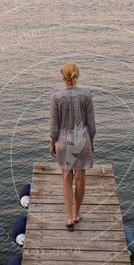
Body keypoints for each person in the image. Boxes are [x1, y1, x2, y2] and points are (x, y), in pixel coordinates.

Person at [50, 62, 96, 230]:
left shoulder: (56, 96)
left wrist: (52, 142)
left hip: (63, 140)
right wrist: (91, 141)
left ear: (63, 76)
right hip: (81, 139)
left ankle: (69, 217)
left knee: (66, 179)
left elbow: (54, 126)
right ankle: (76, 213)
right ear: (78, 75)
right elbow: (91, 124)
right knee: (80, 178)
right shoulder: (86, 95)